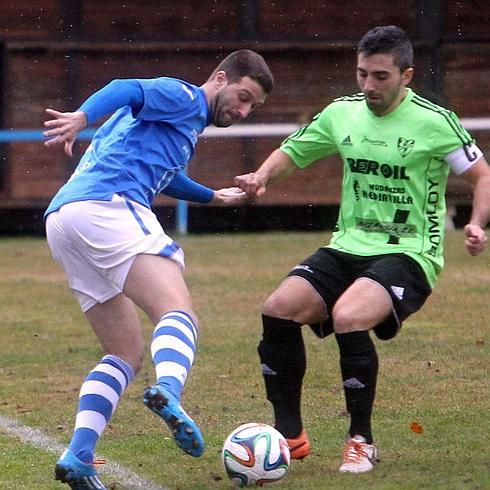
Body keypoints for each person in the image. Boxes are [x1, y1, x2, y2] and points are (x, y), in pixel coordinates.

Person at [235, 25, 490, 474]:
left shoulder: (435, 122)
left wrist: (476, 223)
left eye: (380, 77)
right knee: (278, 308)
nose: (368, 86)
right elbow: (293, 153)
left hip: (410, 252)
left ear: (406, 76)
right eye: (361, 74)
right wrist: (260, 177)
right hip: (348, 245)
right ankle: (288, 437)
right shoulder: (341, 114)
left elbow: (482, 175)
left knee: (350, 316)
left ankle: (361, 440)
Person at [43, 49, 274, 489]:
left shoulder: (179, 124)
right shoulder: (184, 97)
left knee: (124, 352)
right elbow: (125, 88)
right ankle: (169, 389)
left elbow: (166, 175)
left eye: (252, 107)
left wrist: (213, 197)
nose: (242, 111)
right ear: (220, 78)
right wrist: (81, 116)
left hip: (64, 219)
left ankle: (78, 456)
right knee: (178, 312)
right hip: (108, 205)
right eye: (242, 97)